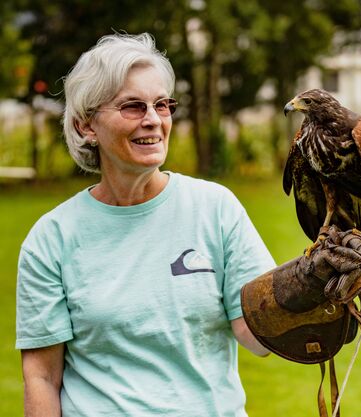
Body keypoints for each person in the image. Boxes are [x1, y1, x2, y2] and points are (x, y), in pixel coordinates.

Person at [16, 33, 276, 417]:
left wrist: (312, 291)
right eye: (133, 107)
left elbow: (257, 336)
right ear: (87, 125)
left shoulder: (215, 208)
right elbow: (41, 376)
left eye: (162, 105)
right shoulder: (52, 239)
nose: (153, 120)